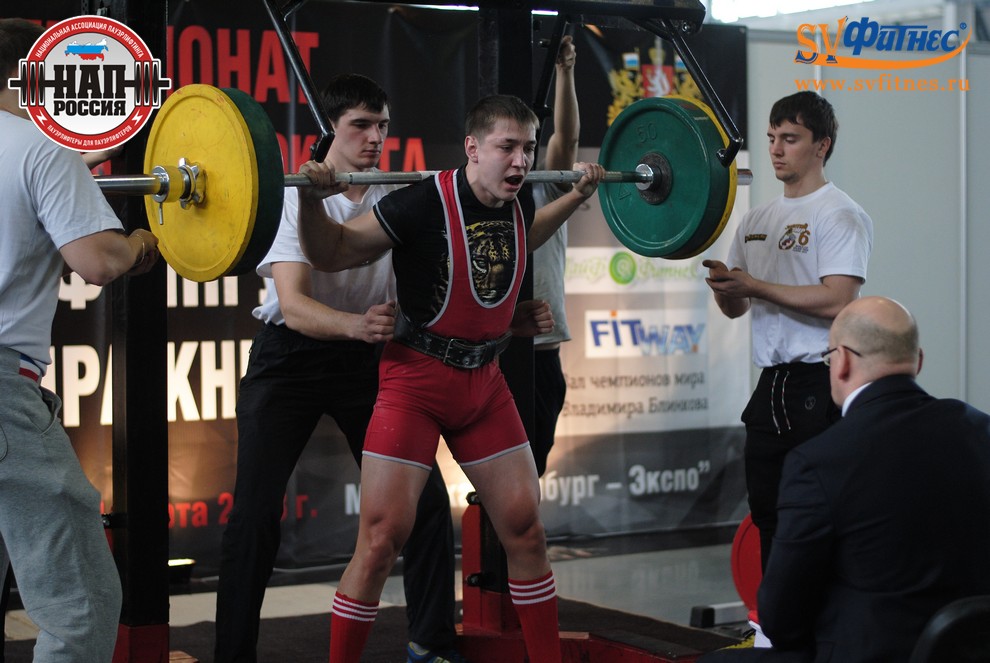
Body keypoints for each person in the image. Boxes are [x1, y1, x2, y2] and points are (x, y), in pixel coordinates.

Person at [296, 94, 605, 663]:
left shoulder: (515, 202)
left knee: (526, 530)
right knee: (381, 539)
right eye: (507, 147)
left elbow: (527, 233)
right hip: (414, 385)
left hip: (483, 384)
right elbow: (332, 253)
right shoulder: (421, 203)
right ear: (472, 148)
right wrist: (312, 203)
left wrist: (576, 195)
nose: (521, 161)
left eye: (529, 148)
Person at [214, 74, 464, 663]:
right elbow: (296, 306)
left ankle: (431, 646)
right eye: (361, 125)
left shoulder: (399, 195)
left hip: (364, 361)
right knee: (254, 514)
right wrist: (357, 326)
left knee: (426, 503)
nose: (376, 137)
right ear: (330, 129)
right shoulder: (292, 193)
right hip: (289, 359)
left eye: (383, 125)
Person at [699, 296, 990, 662]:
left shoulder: (819, 460)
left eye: (828, 358)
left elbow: (781, 620)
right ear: (917, 361)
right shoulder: (981, 429)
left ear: (843, 362)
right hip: (972, 649)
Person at [0, 17, 160, 662]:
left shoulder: (41, 154)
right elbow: (98, 261)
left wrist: (70, 176)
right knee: (82, 605)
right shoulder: (41, 149)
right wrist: (142, 243)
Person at [702, 91, 873, 571]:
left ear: (822, 145)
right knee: (768, 514)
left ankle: (826, 616)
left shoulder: (839, 214)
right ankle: (776, 615)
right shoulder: (756, 219)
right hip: (770, 387)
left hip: (821, 383)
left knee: (820, 517)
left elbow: (839, 299)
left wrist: (754, 285)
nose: (776, 149)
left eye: (791, 139)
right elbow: (736, 309)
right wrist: (725, 287)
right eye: (772, 137)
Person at [532, 34, 579, 476]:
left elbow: (565, 137)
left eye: (527, 144)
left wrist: (565, 71)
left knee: (531, 473)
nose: (518, 154)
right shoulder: (471, 194)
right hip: (490, 353)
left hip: (541, 354)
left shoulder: (545, 187)